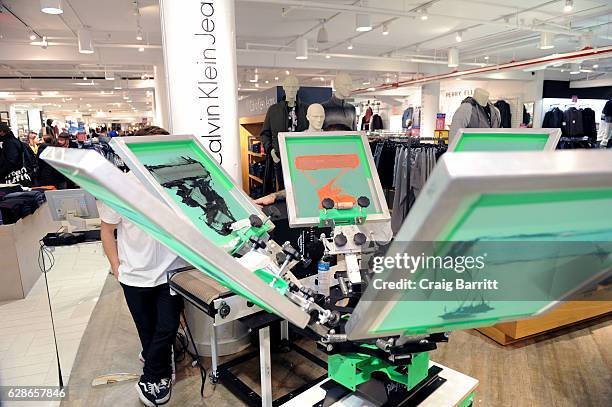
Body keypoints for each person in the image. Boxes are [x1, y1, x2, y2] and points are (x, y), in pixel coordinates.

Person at [99, 125, 186, 407]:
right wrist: (116, 267)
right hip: (134, 273)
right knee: (147, 329)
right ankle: (160, 358)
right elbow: (107, 230)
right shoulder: (119, 187)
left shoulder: (178, 183)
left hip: (173, 271)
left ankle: (152, 375)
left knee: (167, 327)